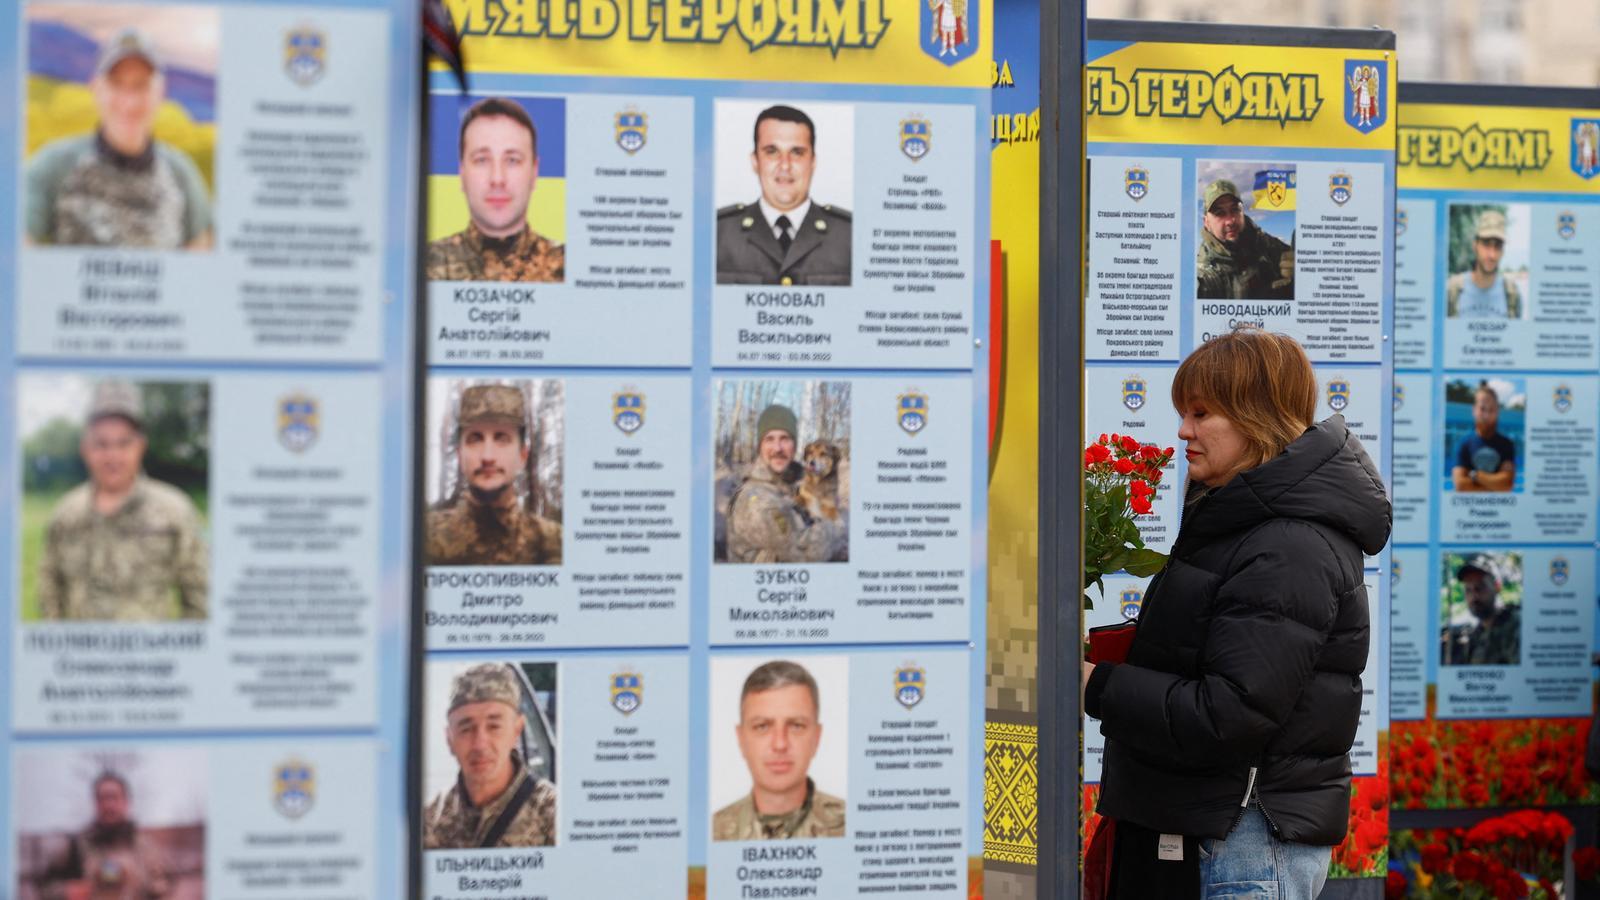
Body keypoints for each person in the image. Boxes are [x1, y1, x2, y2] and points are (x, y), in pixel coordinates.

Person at [1082, 327, 1390, 899]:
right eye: (1183, 412)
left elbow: (1231, 713)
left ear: (1255, 416)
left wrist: (1099, 685)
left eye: (1201, 413)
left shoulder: (1287, 544)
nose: (1183, 431)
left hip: (1240, 844)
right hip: (1213, 832)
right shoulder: (1246, 523)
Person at [37, 381, 208, 621]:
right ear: (85, 449)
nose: (112, 455)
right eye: (101, 443)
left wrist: (180, 657)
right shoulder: (65, 514)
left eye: (124, 443)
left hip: (153, 657)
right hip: (78, 658)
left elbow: (201, 599)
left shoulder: (176, 511)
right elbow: (49, 590)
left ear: (141, 446)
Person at [26, 28, 212, 250]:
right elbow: (16, 238)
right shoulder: (53, 164)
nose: (129, 102)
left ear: (160, 93)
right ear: (96, 89)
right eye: (116, 84)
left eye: (141, 85)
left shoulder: (181, 173)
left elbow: (202, 250)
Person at [427, 97, 564, 282]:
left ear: (534, 172)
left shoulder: (567, 266)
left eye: (512, 160)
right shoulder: (425, 263)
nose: (497, 179)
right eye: (482, 160)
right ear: (462, 172)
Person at [424, 663, 558, 848]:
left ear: (516, 731)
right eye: (466, 729)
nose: (480, 744)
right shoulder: (430, 821)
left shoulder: (554, 816)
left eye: (494, 726)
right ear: (449, 739)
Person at [427, 384, 562, 566]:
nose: (487, 457)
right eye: (475, 439)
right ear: (460, 456)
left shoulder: (555, 542)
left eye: (502, 438)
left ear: (522, 456)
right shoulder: (426, 537)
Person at [717, 105, 852, 286]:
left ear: (813, 162)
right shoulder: (719, 233)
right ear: (755, 161)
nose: (785, 165)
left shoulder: (849, 236)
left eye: (797, 153)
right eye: (772, 152)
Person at [713, 660, 845, 840]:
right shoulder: (711, 833)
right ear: (741, 739)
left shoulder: (855, 826)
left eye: (796, 726)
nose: (780, 744)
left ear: (817, 737)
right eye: (762, 727)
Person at [725, 405, 844, 563]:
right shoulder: (755, 499)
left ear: (794, 445)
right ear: (760, 446)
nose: (777, 448)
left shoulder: (790, 483)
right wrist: (837, 526)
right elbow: (809, 554)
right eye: (769, 439)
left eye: (785, 439)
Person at [35, 771, 172, 900]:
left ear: (126, 802)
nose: (108, 805)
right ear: (95, 803)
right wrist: (65, 892)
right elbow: (44, 887)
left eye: (114, 797)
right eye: (102, 798)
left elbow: (165, 887)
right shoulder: (74, 848)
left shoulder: (146, 848)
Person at [1194, 179, 1293, 300]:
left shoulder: (1257, 238)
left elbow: (1289, 255)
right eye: (1219, 213)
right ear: (1206, 222)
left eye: (1235, 210)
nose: (1230, 221)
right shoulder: (1205, 272)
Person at [1440, 555, 1521, 665]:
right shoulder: (1477, 634)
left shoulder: (1515, 625)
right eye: (1468, 590)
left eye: (1480, 587)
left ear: (1497, 587)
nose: (1474, 596)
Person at [1446, 210, 1520, 318]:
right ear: (1475, 245)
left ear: (1503, 251)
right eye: (1486, 244)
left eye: (1498, 246)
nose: (1492, 255)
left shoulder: (1512, 294)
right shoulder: (1452, 290)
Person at [1451, 382, 1516, 492]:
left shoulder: (1506, 444)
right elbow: (1460, 486)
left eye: (1491, 410)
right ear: (1474, 410)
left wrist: (1475, 475)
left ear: (1497, 412)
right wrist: (1494, 484)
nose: (1486, 415)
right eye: (1482, 409)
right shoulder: (1464, 443)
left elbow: (1506, 485)